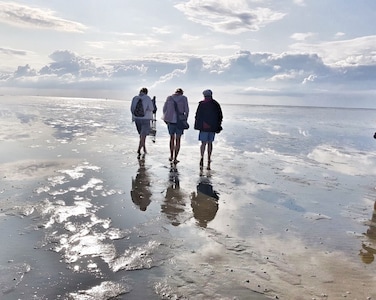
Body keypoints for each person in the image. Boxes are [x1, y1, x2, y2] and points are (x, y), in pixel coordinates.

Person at [194, 89, 223, 170]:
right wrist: (218, 125)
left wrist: (199, 124)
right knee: (210, 143)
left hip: (203, 127)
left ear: (204, 95)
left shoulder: (202, 104)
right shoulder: (216, 104)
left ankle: (202, 156)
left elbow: (197, 116)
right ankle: (209, 158)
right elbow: (220, 115)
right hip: (213, 127)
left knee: (203, 143)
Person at [162, 88, 189, 164]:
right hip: (179, 121)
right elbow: (186, 110)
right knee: (178, 140)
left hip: (170, 121)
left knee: (171, 138)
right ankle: (175, 158)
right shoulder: (184, 98)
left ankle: (171, 156)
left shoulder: (169, 98)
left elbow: (164, 109)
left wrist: (166, 118)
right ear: (182, 93)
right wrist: (185, 120)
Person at [130, 87, 154, 157]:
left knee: (141, 135)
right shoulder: (147, 98)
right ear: (146, 92)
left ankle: (144, 149)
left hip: (137, 119)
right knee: (143, 136)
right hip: (146, 119)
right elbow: (151, 108)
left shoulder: (135, 98)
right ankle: (139, 150)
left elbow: (132, 109)